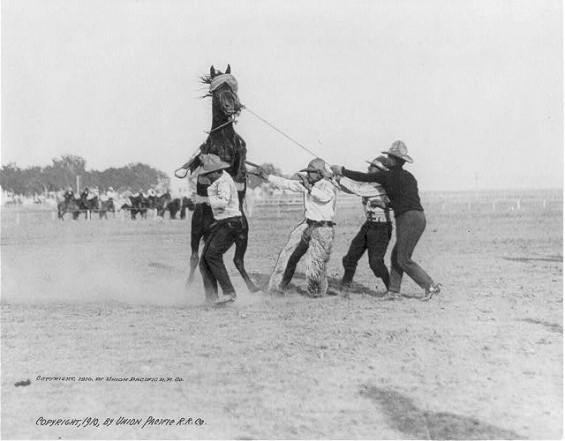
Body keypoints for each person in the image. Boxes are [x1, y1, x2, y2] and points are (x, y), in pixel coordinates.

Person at [332, 141, 441, 301]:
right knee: (397, 255)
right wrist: (386, 204)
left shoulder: (387, 175)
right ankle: (393, 291)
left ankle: (430, 286)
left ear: (395, 160)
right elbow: (407, 199)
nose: (387, 158)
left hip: (407, 219)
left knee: (403, 259)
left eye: (389, 156)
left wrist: (342, 170)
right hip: (417, 217)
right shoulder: (409, 177)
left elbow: (363, 177)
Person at [256, 158, 338, 298]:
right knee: (287, 256)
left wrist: (308, 187)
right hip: (307, 224)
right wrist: (267, 177)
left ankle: (317, 292)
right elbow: (288, 184)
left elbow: (324, 197)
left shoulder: (328, 185)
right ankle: (278, 287)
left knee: (316, 265)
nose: (308, 175)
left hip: (323, 229)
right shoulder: (307, 184)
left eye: (311, 172)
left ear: (319, 173)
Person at [338, 155, 393, 295]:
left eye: (371, 167)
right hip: (369, 225)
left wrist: (339, 176)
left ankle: (392, 288)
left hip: (381, 227)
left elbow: (357, 189)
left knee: (376, 264)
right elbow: (352, 189)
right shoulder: (370, 185)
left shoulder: (379, 185)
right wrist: (332, 178)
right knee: (350, 258)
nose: (368, 169)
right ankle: (345, 286)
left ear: (380, 171)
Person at [198, 155, 245, 305]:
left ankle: (229, 292)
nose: (206, 177)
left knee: (211, 256)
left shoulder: (222, 182)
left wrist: (204, 200)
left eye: (208, 174)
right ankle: (211, 298)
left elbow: (223, 202)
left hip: (230, 223)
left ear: (215, 172)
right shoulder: (222, 179)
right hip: (225, 223)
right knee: (204, 261)